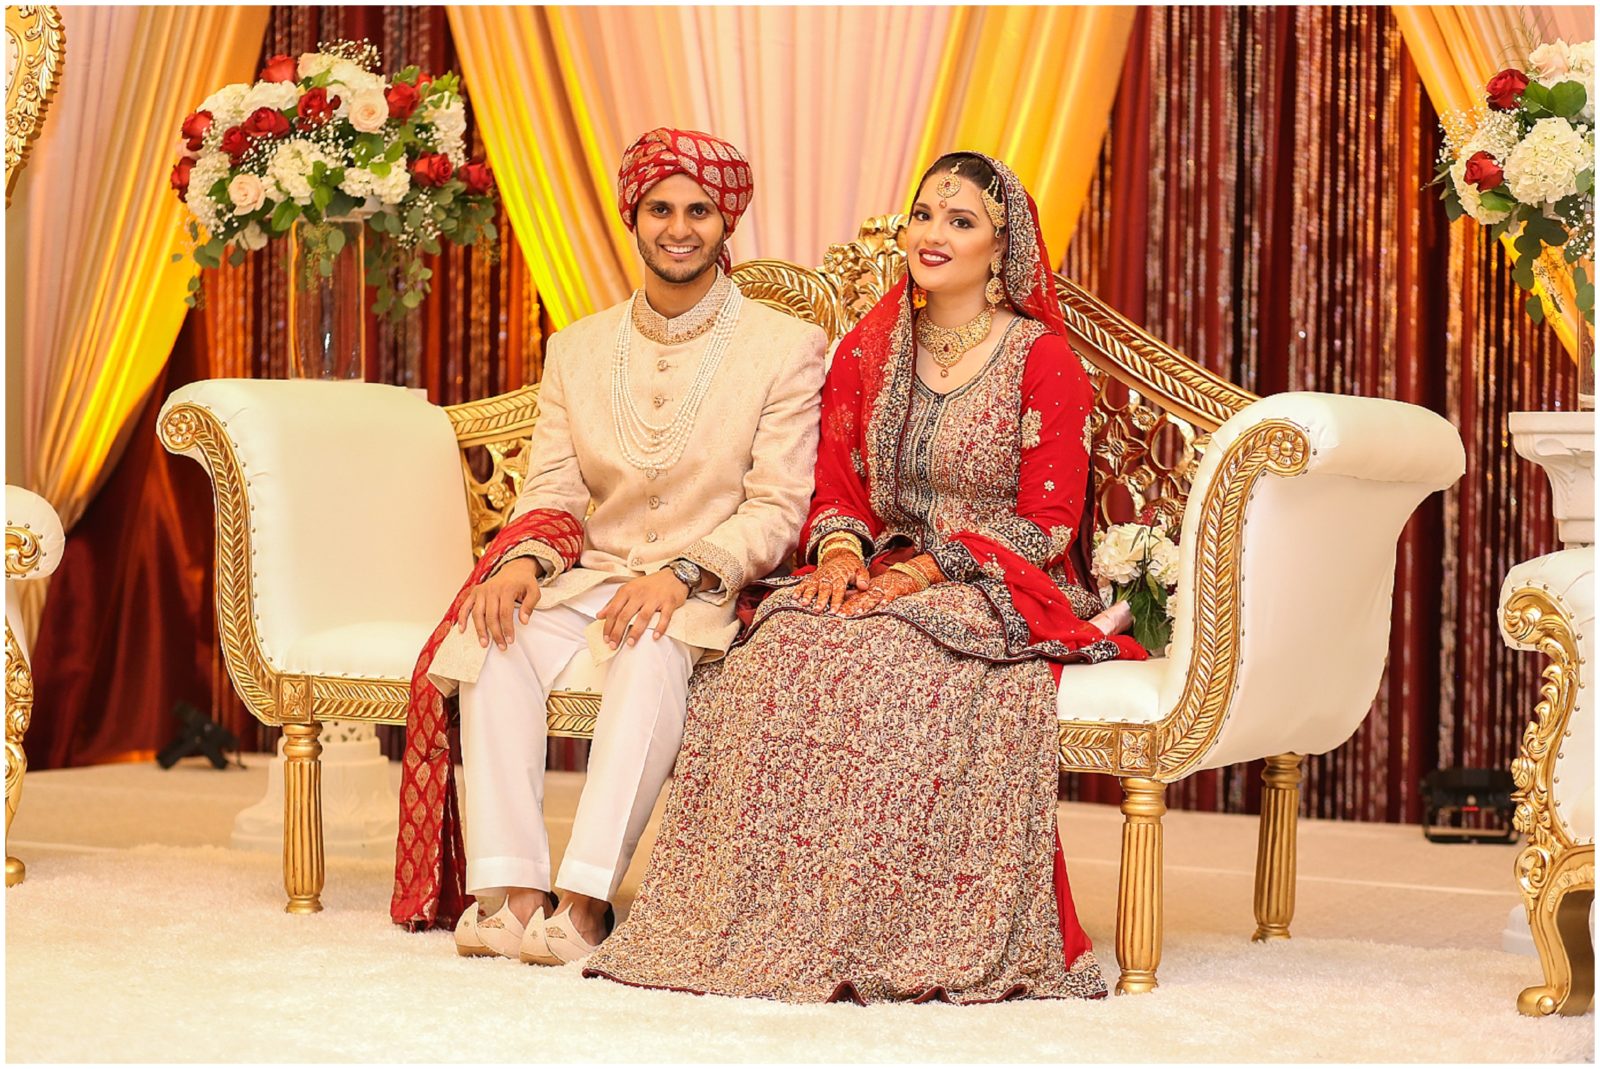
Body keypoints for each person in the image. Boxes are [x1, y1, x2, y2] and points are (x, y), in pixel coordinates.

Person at [581, 152, 1146, 1004]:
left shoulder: (1041, 360)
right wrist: (841, 554)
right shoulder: (872, 348)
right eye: (925, 215)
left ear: (1002, 250)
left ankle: (886, 928)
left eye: (961, 222)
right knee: (776, 647)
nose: (934, 234)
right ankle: (755, 919)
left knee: (886, 662)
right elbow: (837, 487)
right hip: (880, 570)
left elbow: (1047, 521)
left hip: (1001, 578)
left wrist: (925, 571)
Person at [389, 128, 828, 968]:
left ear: (724, 221)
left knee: (650, 639)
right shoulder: (578, 347)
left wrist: (686, 570)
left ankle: (587, 900)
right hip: (592, 574)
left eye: (698, 210)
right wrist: (521, 560)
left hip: (707, 587)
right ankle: (513, 889)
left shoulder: (782, 346)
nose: (679, 227)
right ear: (633, 217)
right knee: (493, 628)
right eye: (661, 208)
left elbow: (779, 508)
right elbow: (552, 490)